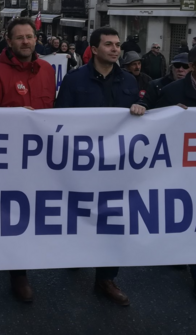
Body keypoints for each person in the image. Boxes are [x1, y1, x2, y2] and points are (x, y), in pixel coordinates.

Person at [129, 45, 196, 306]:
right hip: (175, 169)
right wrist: (142, 107)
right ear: (193, 66)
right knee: (177, 215)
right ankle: (173, 249)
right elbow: (150, 122)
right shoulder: (171, 92)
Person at [0, 17, 56, 303]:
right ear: (9, 41)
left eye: (30, 37)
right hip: (9, 161)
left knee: (39, 212)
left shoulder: (47, 70)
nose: (26, 42)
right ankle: (17, 273)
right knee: (15, 216)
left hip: (42, 159)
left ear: (36, 39)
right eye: (19, 38)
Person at [54, 27, 138, 307]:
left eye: (117, 45)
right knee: (80, 216)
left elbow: (145, 113)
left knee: (115, 221)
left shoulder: (129, 80)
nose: (116, 49)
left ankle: (106, 278)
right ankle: (77, 253)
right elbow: (60, 122)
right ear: (94, 48)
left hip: (118, 167)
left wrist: (144, 106)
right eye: (109, 44)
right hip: (83, 166)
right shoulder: (74, 81)